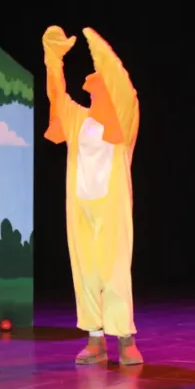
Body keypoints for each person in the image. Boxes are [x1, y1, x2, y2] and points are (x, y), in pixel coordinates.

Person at [43, 25, 142, 365]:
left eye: (101, 86)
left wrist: (98, 48)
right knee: (85, 271)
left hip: (111, 207)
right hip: (80, 206)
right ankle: (95, 339)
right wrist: (53, 57)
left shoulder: (122, 121)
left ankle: (125, 338)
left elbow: (122, 84)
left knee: (115, 271)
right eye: (94, 88)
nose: (97, 92)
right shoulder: (79, 119)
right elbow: (57, 95)